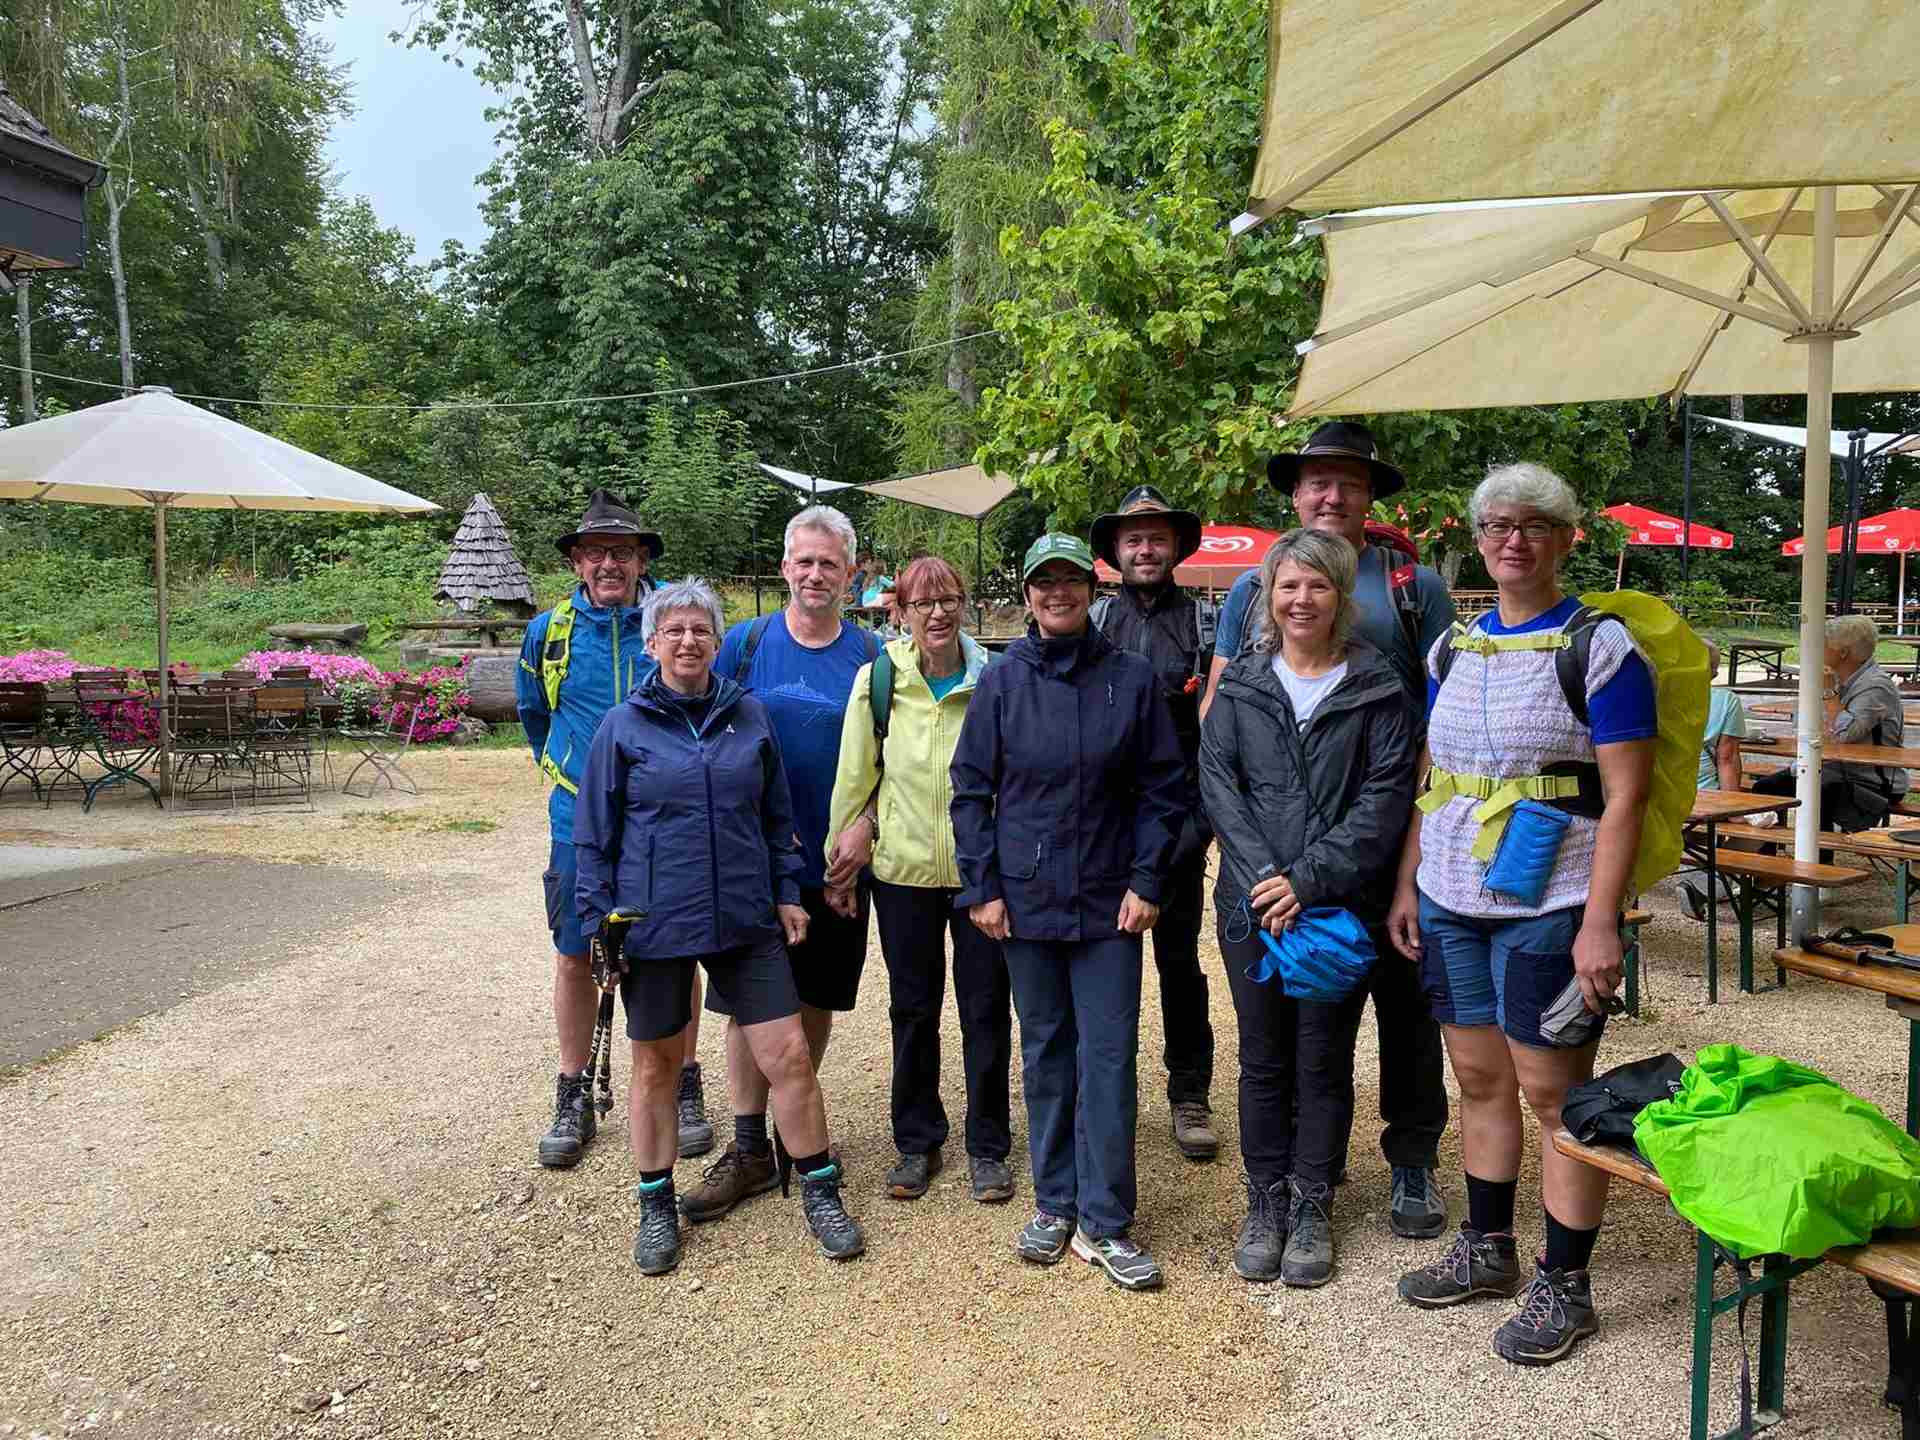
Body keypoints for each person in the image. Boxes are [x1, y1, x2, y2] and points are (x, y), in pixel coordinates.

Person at [1389, 462, 1655, 1368]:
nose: (1515, 539)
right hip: (1451, 895)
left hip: (1556, 898)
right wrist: (1408, 883)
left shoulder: (1602, 648)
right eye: (1499, 524)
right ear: (1478, 539)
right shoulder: (1452, 648)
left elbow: (1625, 796)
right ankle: (1489, 1247)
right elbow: (1436, 777)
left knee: (1554, 1094)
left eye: (1536, 524)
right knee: (1478, 1079)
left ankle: (1566, 1283)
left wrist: (1602, 922)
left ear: (1567, 538)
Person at [1201, 420, 1455, 1241]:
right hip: (1268, 868)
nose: (1331, 494)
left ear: (1370, 492)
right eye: (1317, 480)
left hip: (1380, 849)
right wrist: (1261, 867)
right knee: (1281, 1048)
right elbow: (1223, 730)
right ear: (1297, 494)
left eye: (1348, 480)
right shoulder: (1250, 593)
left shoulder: (1413, 587)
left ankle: (1409, 1159)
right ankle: (1291, 1181)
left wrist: (1388, 864)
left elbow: (1433, 737)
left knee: (1401, 1019)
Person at [573, 579, 864, 1272]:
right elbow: (594, 835)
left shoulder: (748, 715)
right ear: (651, 643)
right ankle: (654, 1203)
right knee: (656, 1066)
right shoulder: (623, 726)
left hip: (744, 915)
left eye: (700, 630)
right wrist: (597, 924)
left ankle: (819, 1189)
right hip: (655, 920)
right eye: (673, 631)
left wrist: (786, 892)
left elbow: (775, 817)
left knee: (789, 1055)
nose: (688, 641)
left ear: (716, 640)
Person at [950, 533, 1187, 1289]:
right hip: (1025, 902)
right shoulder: (1002, 680)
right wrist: (982, 887)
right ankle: (1054, 1202)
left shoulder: (1132, 678)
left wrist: (1149, 881)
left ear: (1093, 588)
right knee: (1046, 1049)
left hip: (1111, 902)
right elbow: (970, 791)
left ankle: (1106, 1221)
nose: (1058, 593)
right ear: (1027, 594)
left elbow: (1163, 789)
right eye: (1044, 582)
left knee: (1109, 1057)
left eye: (1071, 580)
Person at [1200, 529, 1415, 1288]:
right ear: (1268, 596)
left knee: (1323, 1058)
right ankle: (1265, 1201)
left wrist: (1308, 880)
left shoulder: (1377, 686)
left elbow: (1386, 797)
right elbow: (1218, 781)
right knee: (1262, 1058)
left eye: (1317, 585)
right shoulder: (1242, 684)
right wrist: (1267, 877)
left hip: (1336, 909)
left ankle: (1314, 1201)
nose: (1301, 600)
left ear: (1341, 595)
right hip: (1251, 907)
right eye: (1287, 586)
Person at [682, 506, 879, 1222]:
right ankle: (746, 1148)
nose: (815, 574)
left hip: (838, 866)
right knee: (745, 1006)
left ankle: (788, 1131)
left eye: (829, 563)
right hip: (754, 865)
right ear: (784, 568)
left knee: (815, 999)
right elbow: (700, 733)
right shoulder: (746, 643)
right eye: (804, 561)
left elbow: (896, 755)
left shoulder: (872, 655)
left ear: (850, 574)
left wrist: (867, 827)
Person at [517, 489, 713, 1170]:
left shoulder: (668, 624)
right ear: (576, 561)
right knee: (576, 951)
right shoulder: (549, 634)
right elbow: (534, 715)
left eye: (623, 552)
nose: (609, 563)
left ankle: (684, 1081)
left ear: (641, 560)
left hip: (663, 823)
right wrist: (573, 771)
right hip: (578, 820)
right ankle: (573, 1090)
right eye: (596, 551)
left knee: (678, 949)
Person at [823, 555, 1014, 1204]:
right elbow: (856, 777)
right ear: (899, 611)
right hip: (902, 873)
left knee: (985, 1008)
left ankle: (988, 1146)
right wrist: (840, 866)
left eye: (948, 599)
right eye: (922, 603)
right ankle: (916, 1140)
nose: (937, 613)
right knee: (912, 1008)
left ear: (964, 604)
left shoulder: (995, 678)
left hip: (978, 873)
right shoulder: (878, 680)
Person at [1089, 485, 1219, 1161]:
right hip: (1101, 834)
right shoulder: (1091, 624)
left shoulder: (1207, 626)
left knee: (1178, 964)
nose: (1145, 549)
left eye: (1157, 538)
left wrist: (1199, 825)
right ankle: (1101, 1095)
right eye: (1133, 539)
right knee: (1101, 967)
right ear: (1115, 550)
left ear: (1176, 547)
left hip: (1177, 827)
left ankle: (1189, 1092)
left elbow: (1223, 736)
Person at [1750, 614, 1908, 830]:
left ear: (1843, 652)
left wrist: (1828, 694)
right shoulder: (1833, 678)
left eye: (1822, 645)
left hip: (1873, 781)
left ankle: (1821, 851)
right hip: (1831, 770)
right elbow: (1803, 727)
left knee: (1818, 794)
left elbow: (1843, 735)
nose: (1815, 650)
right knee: (1764, 789)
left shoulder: (1876, 686)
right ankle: (1767, 850)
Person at [1681, 639, 1757, 919]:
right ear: (1712, 672)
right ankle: (1709, 887)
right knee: (1759, 831)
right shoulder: (1725, 701)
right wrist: (1734, 810)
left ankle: (1713, 882)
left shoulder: (1655, 695)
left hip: (1662, 799)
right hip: (1703, 800)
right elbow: (1727, 759)